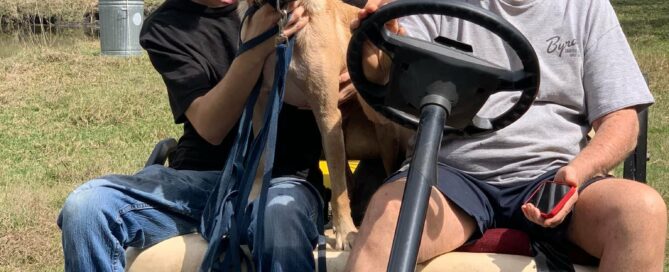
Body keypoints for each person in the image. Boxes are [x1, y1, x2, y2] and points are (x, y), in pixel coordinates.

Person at [346, 0, 667, 271]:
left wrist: (578, 172)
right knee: (388, 217)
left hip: (552, 175)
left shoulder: (584, 7)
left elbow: (622, 120)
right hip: (450, 175)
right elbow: (385, 93)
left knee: (641, 212)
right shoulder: (435, 6)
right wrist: (375, 46)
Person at [56, 0, 330, 271]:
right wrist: (255, 49)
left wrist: (355, 78)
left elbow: (366, 19)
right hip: (200, 183)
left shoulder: (294, 3)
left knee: (277, 217)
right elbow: (212, 126)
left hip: (284, 177)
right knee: (86, 208)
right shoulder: (165, 26)